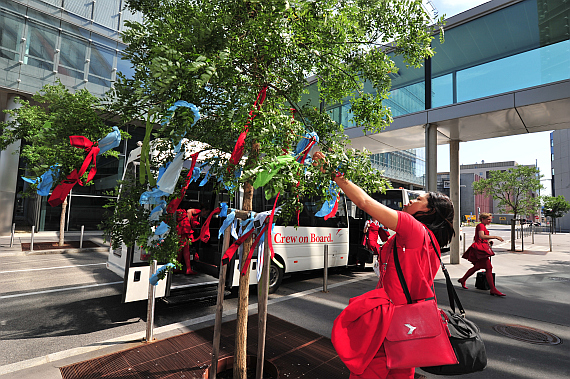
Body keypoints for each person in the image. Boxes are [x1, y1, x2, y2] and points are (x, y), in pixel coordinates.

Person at [313, 151, 455, 379]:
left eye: (418, 199)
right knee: (400, 373)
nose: (409, 201)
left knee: (368, 371)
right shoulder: (429, 239)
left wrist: (335, 174)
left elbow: (364, 202)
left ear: (428, 210)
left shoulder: (412, 227)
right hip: (410, 325)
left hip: (387, 321)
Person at [458, 213, 505, 296]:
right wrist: (495, 237)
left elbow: (478, 237)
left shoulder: (481, 225)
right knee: (488, 268)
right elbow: (482, 236)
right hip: (480, 249)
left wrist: (488, 241)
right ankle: (493, 289)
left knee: (477, 267)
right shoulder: (481, 226)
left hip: (480, 247)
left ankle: (463, 279)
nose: (490, 221)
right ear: (482, 219)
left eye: (490, 219)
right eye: (488, 219)